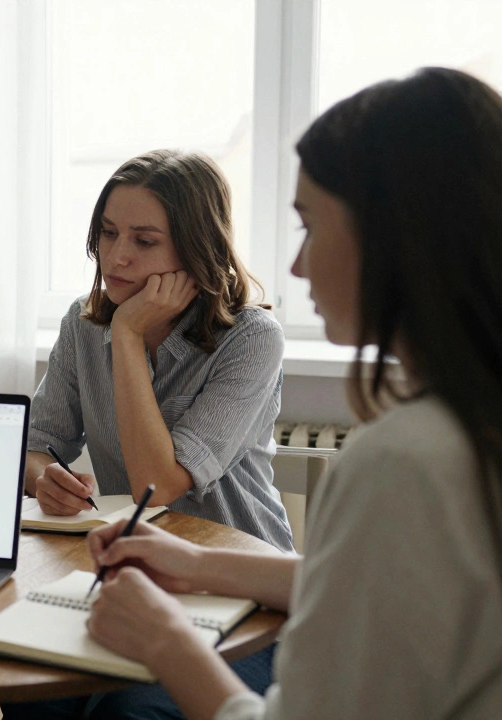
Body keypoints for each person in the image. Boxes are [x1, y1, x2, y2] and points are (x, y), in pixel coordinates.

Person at [80, 67, 502, 719]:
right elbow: (359, 587)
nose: (298, 265)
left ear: (392, 238)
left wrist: (165, 638)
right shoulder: (469, 428)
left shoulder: (408, 461)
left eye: (308, 225)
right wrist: (192, 561)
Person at [4, 150, 287, 719]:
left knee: (128, 711)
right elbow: (36, 448)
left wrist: (129, 337)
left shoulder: (252, 338)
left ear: (194, 248)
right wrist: (45, 480)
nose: (118, 256)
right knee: (28, 689)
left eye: (144, 240)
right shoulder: (81, 325)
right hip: (130, 576)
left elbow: (157, 484)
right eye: (108, 234)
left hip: (246, 595)